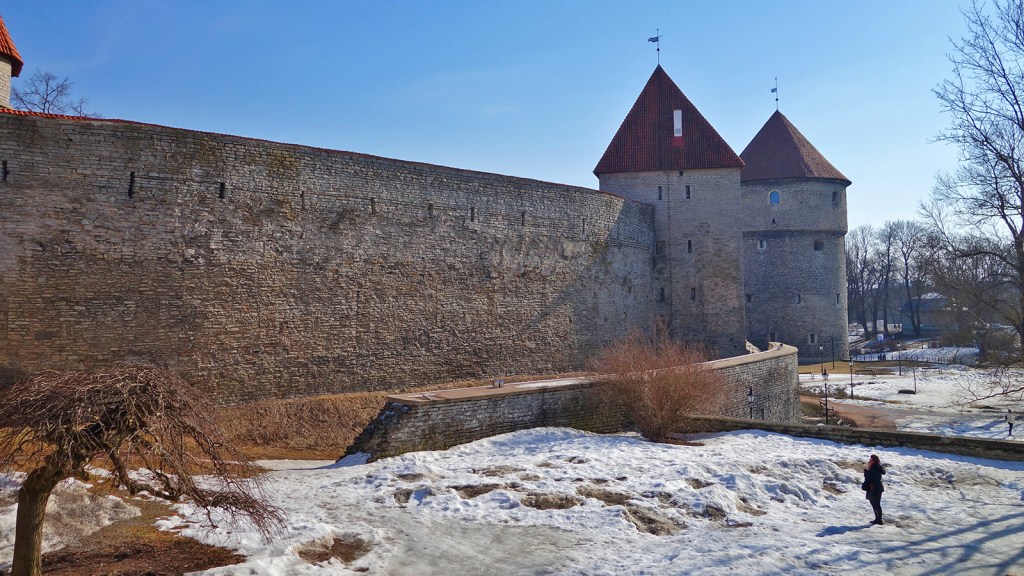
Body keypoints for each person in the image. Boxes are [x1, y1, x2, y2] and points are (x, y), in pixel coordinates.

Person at [863, 454, 886, 525]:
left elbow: (871, 478)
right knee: (873, 504)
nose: (869, 461)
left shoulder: (874, 468)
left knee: (876, 504)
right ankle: (877, 519)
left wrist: (867, 473)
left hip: (875, 488)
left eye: (870, 460)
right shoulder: (873, 467)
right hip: (873, 488)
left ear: (874, 461)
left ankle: (879, 520)